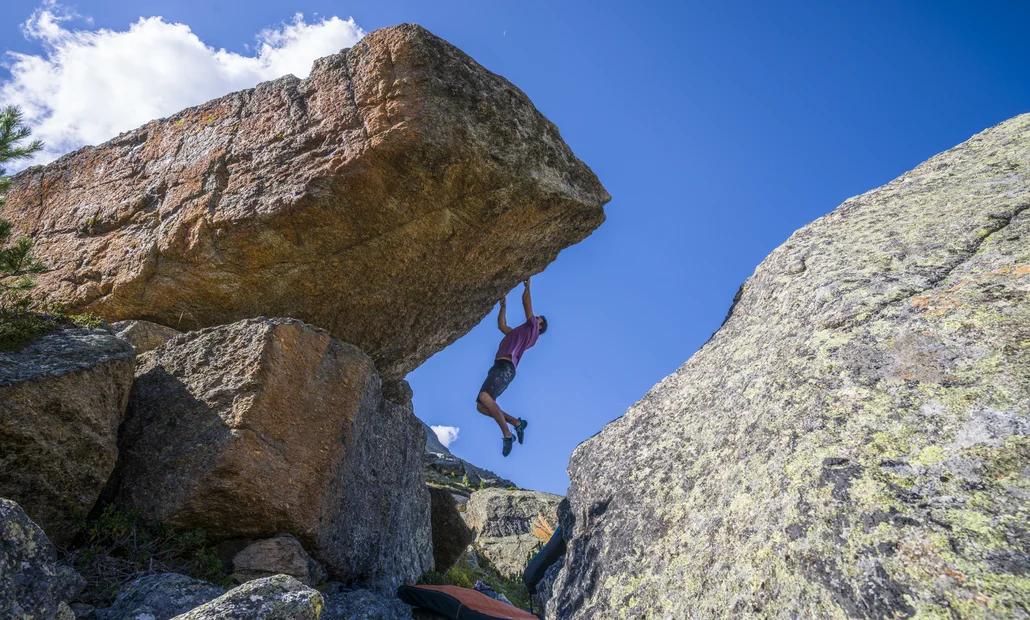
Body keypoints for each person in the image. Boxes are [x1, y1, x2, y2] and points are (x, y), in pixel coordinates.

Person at [476, 278, 548, 456]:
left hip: (506, 367)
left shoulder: (533, 330)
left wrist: (528, 285)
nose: (534, 316)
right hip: (499, 366)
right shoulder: (520, 333)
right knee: (481, 406)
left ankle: (508, 435)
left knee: (484, 396)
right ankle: (517, 423)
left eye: (537, 317)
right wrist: (503, 306)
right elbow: (501, 326)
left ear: (539, 325)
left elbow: (526, 303)